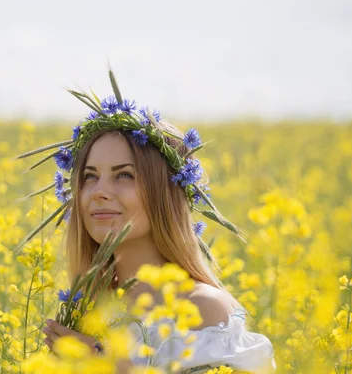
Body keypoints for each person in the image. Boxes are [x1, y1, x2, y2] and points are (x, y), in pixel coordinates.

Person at [20, 71, 276, 373]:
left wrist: (108, 367)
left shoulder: (204, 310)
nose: (99, 192)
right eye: (90, 176)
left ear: (163, 193)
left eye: (123, 175)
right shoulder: (87, 310)